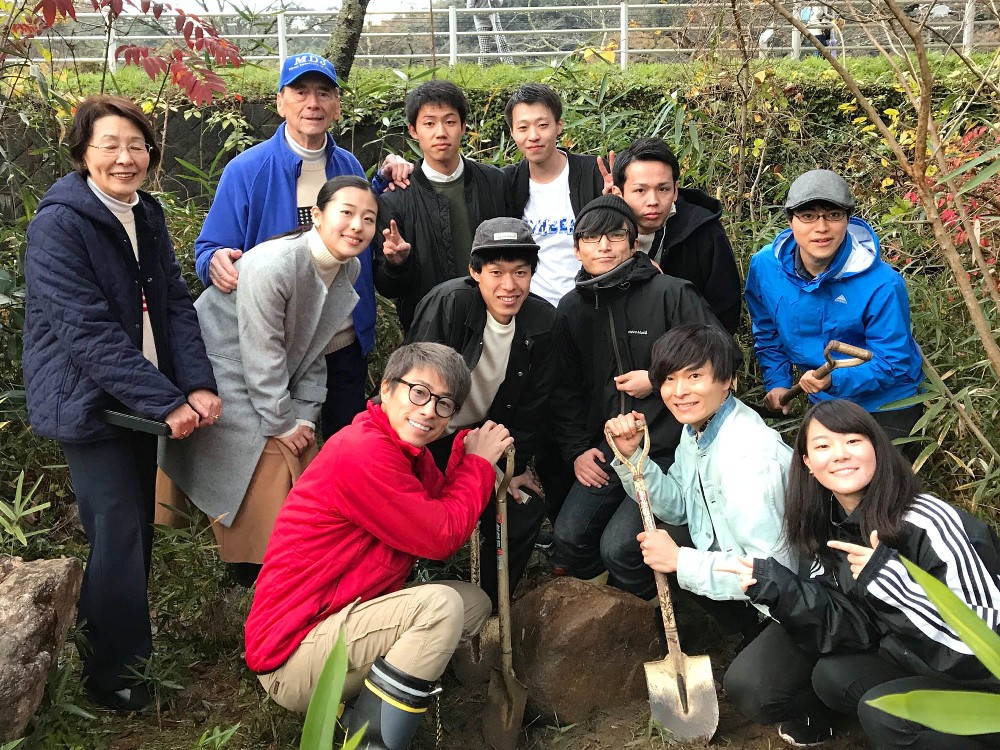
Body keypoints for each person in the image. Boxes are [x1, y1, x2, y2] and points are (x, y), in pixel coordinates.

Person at [22, 95, 220, 712]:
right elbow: (86, 332)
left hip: (139, 398)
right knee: (118, 528)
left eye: (136, 145)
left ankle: (122, 654)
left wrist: (197, 384)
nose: (124, 158)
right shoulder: (59, 224)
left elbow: (176, 304)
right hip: (88, 401)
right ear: (83, 153)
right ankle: (111, 678)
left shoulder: (146, 213)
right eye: (109, 145)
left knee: (135, 529)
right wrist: (164, 401)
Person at [244, 343, 513, 749]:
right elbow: (440, 536)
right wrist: (477, 464)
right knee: (440, 608)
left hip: (339, 617)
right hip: (293, 654)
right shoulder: (363, 451)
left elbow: (438, 506)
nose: (429, 410)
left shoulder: (407, 453)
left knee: (471, 603)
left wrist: (464, 454)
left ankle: (367, 702)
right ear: (386, 389)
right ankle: (371, 742)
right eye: (419, 393)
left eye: (443, 404)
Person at [720, 400, 1000, 748]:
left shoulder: (928, 523)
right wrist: (780, 589)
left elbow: (986, 645)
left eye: (853, 440)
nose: (839, 454)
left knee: (884, 715)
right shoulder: (831, 523)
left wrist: (893, 586)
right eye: (823, 446)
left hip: (984, 682)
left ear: (877, 449)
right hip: (919, 654)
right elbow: (854, 623)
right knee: (834, 678)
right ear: (807, 463)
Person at [159, 176, 377, 586]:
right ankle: (251, 572)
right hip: (217, 370)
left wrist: (305, 416)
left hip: (269, 375)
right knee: (273, 456)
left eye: (368, 218)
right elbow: (262, 352)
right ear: (317, 215)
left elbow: (317, 348)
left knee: (304, 453)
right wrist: (282, 422)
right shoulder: (275, 264)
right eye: (346, 213)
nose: (357, 226)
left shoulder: (348, 268)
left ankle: (290, 571)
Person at [194, 53, 411, 439]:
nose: (313, 103)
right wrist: (214, 261)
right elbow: (209, 248)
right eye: (300, 92)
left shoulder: (347, 165)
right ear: (280, 102)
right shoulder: (247, 170)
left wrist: (380, 182)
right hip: (282, 346)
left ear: (337, 106)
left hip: (344, 338)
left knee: (344, 449)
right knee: (286, 451)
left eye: (324, 93)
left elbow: (349, 221)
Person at [550, 194, 723, 599]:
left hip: (669, 448)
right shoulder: (571, 308)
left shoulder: (671, 293)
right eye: (591, 238)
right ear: (576, 249)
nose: (604, 246)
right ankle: (608, 611)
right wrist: (578, 449)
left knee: (620, 547)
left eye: (615, 236)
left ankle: (649, 615)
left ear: (634, 244)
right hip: (611, 448)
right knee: (569, 536)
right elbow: (565, 389)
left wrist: (659, 378)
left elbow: (719, 352)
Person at [604, 323, 793, 641]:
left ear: (727, 380)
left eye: (694, 376)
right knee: (649, 544)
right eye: (669, 378)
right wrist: (633, 456)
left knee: (747, 679)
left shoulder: (751, 460)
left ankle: (757, 630)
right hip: (739, 565)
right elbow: (678, 508)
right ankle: (741, 627)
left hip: (781, 601)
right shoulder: (697, 428)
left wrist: (681, 562)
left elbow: (773, 573)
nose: (679, 392)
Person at [407, 217, 558, 605]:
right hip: (425, 437)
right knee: (415, 511)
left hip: (482, 439)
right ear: (475, 272)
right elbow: (411, 385)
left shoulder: (541, 320)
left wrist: (512, 465)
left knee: (524, 510)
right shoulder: (450, 304)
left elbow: (534, 404)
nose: (509, 286)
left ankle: (488, 604)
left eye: (520, 272)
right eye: (496, 272)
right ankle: (419, 583)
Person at [744, 169, 924, 450]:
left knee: (880, 477)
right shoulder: (766, 266)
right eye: (808, 216)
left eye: (833, 215)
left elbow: (893, 363)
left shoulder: (882, 284)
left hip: (887, 402)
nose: (821, 227)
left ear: (848, 219)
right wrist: (777, 382)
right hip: (824, 399)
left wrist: (832, 380)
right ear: (790, 220)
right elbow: (767, 331)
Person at [502, 83, 605, 533]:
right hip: (536, 318)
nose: (533, 135)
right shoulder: (510, 182)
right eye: (522, 127)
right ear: (512, 132)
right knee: (543, 410)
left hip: (587, 307)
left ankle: (590, 511)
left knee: (586, 403)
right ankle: (560, 521)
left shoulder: (590, 172)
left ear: (559, 125)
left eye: (542, 124)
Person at [373, 80, 509, 332]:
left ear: (463, 127)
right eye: (429, 123)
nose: (441, 132)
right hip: (429, 327)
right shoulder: (395, 198)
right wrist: (397, 264)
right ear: (413, 130)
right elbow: (387, 287)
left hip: (494, 319)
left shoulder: (495, 183)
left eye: (449, 121)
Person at [608, 137, 742, 333]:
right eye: (640, 190)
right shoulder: (602, 235)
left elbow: (725, 310)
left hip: (690, 346)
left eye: (663, 189)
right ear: (618, 193)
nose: (653, 201)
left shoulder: (703, 231)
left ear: (675, 190)